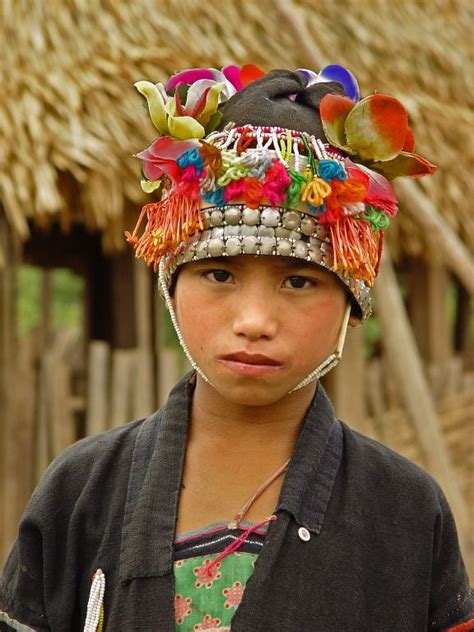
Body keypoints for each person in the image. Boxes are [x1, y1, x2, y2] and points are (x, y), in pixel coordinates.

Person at [1, 64, 472, 632]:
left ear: (353, 303)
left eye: (298, 281)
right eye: (219, 275)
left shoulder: (405, 511)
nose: (253, 322)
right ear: (169, 287)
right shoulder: (81, 490)